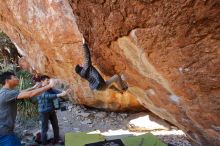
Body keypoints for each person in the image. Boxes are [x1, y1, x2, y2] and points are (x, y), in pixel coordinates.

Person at [0, 71, 57, 146]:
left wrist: (34, 87)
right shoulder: (6, 94)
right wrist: (49, 86)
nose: (17, 79)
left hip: (6, 131)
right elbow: (29, 94)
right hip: (4, 132)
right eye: (14, 77)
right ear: (7, 81)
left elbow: (22, 92)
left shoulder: (7, 92)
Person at [37, 75, 70, 145]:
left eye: (49, 80)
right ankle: (44, 143)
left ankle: (56, 140)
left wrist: (65, 91)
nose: (49, 82)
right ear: (42, 81)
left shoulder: (50, 89)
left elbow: (58, 92)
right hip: (44, 112)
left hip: (51, 110)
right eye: (47, 81)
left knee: (55, 126)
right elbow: (47, 96)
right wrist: (60, 95)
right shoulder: (39, 89)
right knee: (44, 129)